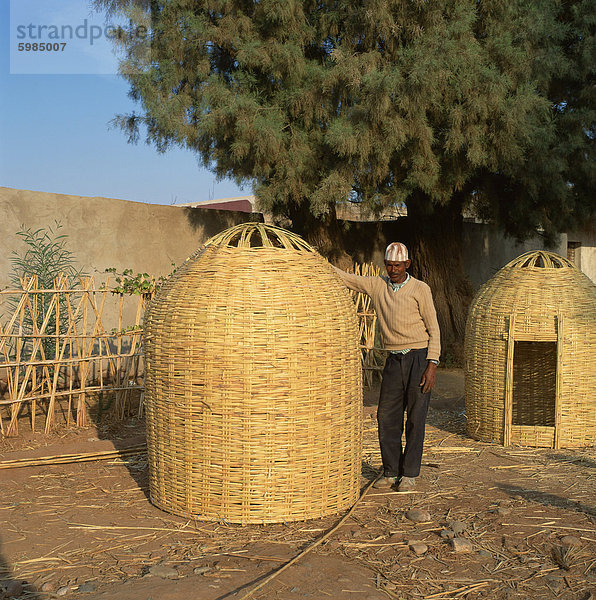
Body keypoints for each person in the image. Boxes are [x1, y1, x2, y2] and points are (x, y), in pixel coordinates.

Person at [332, 242, 440, 491]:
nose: (393, 270)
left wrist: (432, 364)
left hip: (419, 357)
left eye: (398, 266)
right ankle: (391, 470)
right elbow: (347, 279)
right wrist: (315, 260)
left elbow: (434, 329)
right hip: (393, 359)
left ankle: (410, 474)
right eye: (389, 265)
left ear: (408, 265)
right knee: (386, 416)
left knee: (415, 417)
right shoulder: (377, 285)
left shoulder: (420, 289)